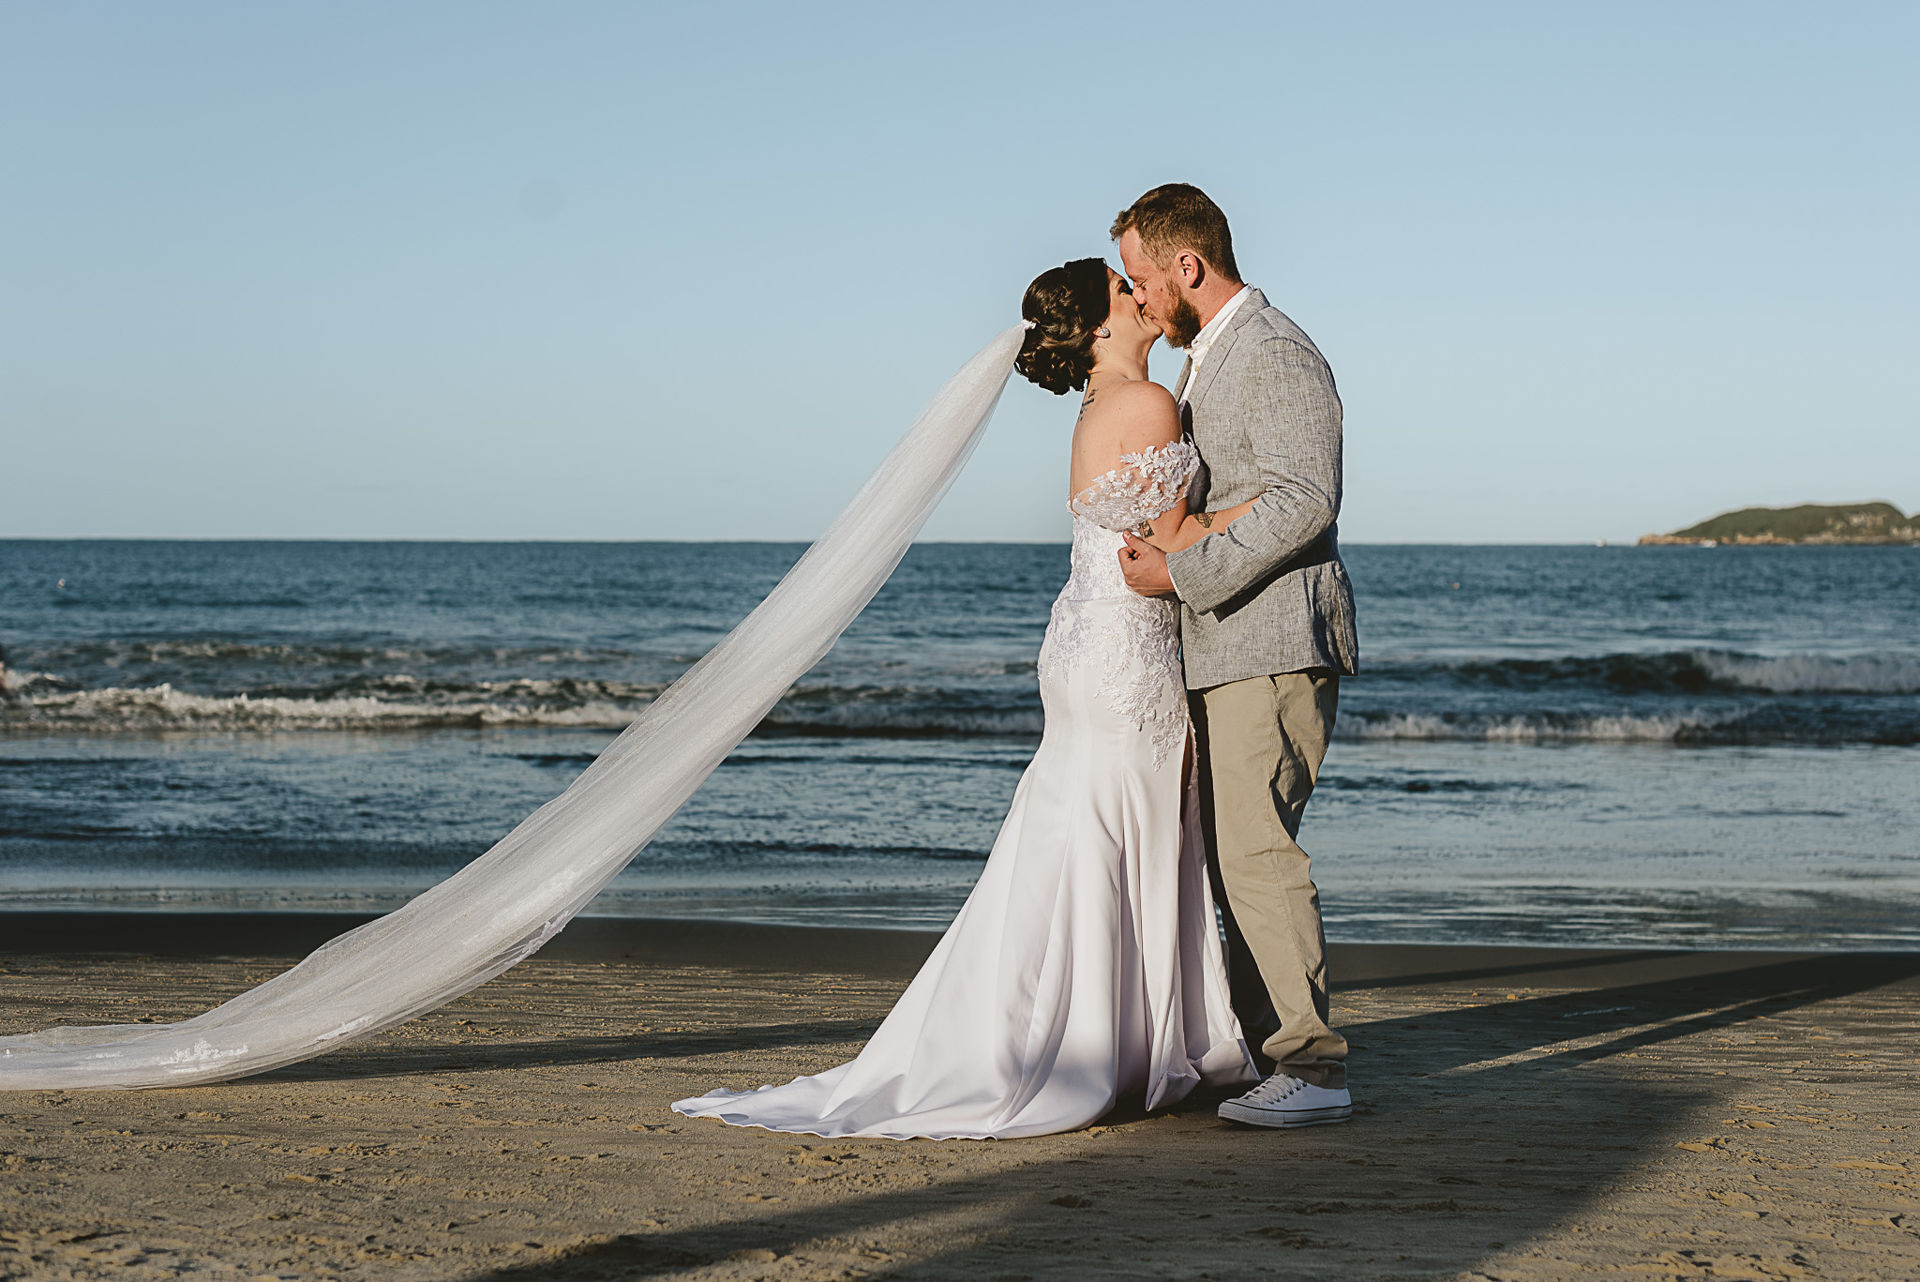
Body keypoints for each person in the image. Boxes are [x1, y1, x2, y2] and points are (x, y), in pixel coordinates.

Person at [671, 258, 1262, 1139]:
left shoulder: (1109, 407)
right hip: (1124, 651)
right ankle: (1115, 1045)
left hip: (1087, 645)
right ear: (1101, 326)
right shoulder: (1146, 405)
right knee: (1119, 827)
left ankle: (1093, 1036)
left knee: (1084, 832)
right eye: (1122, 286)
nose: (1141, 292)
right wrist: (1268, 514)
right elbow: (1170, 542)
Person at [1114, 184, 1359, 1128]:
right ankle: (1273, 1057)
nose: (1138, 299)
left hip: (1272, 639)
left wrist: (1183, 572)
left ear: (1187, 265)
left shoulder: (1277, 352)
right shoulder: (1210, 360)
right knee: (1230, 854)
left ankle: (1315, 1067)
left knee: (1257, 849)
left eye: (1143, 278)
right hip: (1225, 646)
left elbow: (1306, 498)